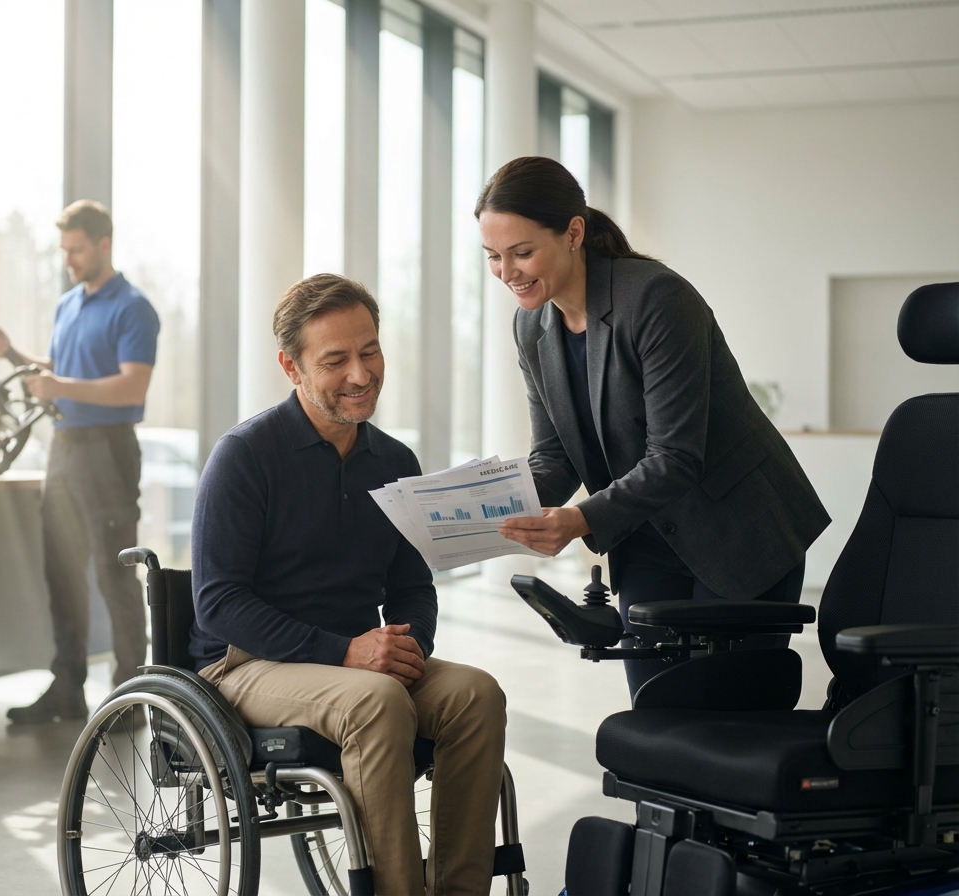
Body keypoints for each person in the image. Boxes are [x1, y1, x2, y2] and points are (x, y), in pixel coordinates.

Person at [190, 274, 507, 896]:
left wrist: (408, 648)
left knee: (476, 694)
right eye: (336, 360)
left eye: (371, 351)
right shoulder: (245, 456)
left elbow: (413, 583)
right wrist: (346, 652)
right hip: (248, 665)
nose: (361, 374)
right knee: (375, 701)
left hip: (358, 662)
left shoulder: (394, 462)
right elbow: (218, 602)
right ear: (292, 366)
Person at [477, 157, 830, 697]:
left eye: (522, 252)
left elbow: (675, 455)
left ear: (574, 232)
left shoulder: (657, 299)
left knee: (726, 725)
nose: (508, 273)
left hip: (736, 531)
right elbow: (555, 456)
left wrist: (576, 520)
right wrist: (485, 505)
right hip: (646, 536)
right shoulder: (532, 326)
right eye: (494, 257)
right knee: (655, 713)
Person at [0, 199, 161, 723]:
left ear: (104, 245)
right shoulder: (68, 305)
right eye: (64, 251)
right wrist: (15, 354)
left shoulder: (133, 308)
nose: (70, 260)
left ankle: (130, 697)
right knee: (61, 572)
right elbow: (57, 369)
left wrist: (60, 385)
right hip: (63, 449)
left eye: (77, 250)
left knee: (113, 572)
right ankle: (66, 688)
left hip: (108, 450)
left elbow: (133, 382)